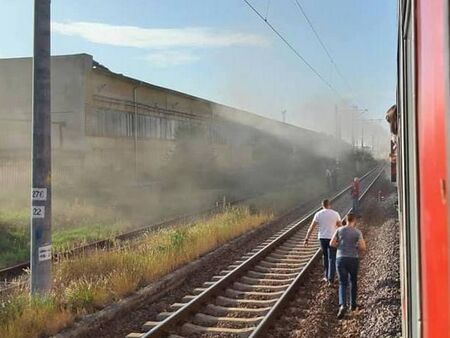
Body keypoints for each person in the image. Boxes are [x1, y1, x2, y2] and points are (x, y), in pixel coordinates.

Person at [330, 213, 366, 319]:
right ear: (354, 221)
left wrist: (340, 245)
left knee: (342, 282)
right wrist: (356, 247)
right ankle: (353, 305)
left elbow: (332, 243)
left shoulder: (339, 230)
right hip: (353, 259)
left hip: (340, 258)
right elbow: (363, 247)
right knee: (353, 281)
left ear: (346, 220)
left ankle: (342, 305)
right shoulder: (357, 232)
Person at [304, 199, 342, 283]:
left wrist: (307, 238)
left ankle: (326, 276)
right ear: (329, 205)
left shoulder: (318, 214)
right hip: (332, 238)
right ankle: (331, 278)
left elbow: (311, 227)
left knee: (325, 257)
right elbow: (340, 226)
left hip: (322, 238)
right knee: (332, 257)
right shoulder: (335, 214)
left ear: (322, 206)